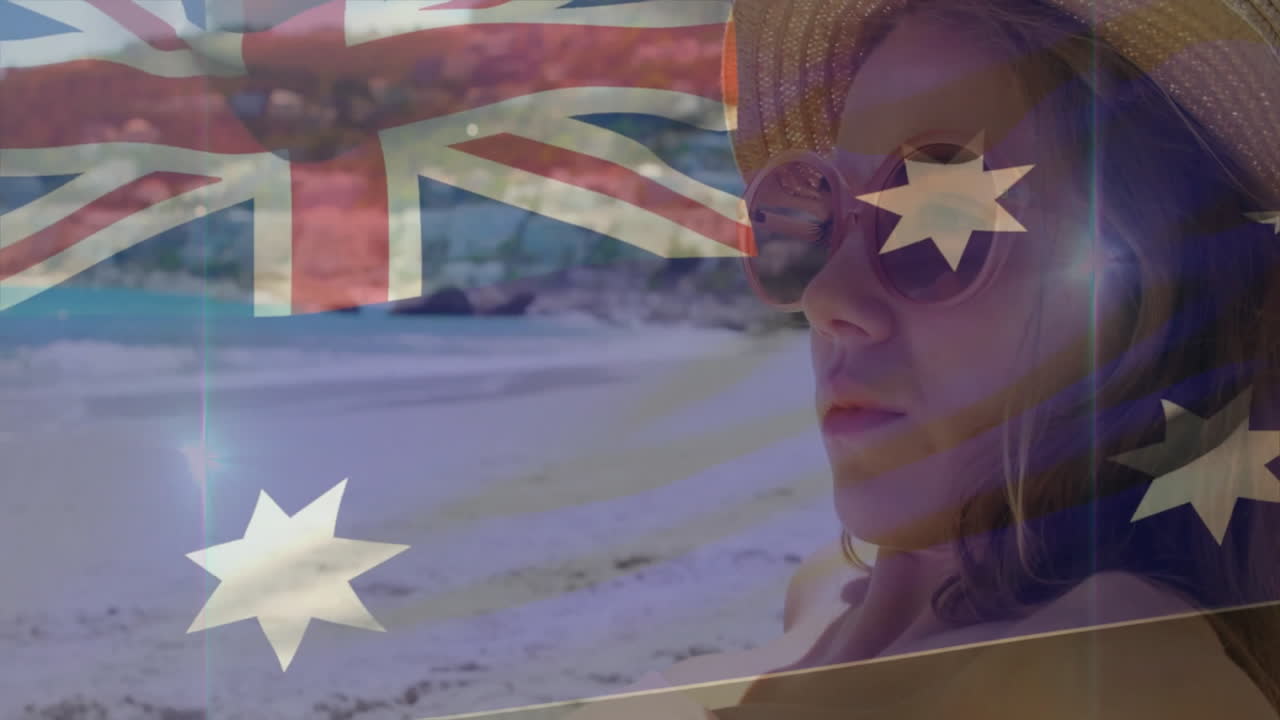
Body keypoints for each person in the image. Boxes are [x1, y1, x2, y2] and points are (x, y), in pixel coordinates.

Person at [564, 0, 1280, 717]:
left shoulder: (1109, 666)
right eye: (820, 214)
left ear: (1148, 289)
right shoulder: (832, 595)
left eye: (943, 222)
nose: (825, 296)